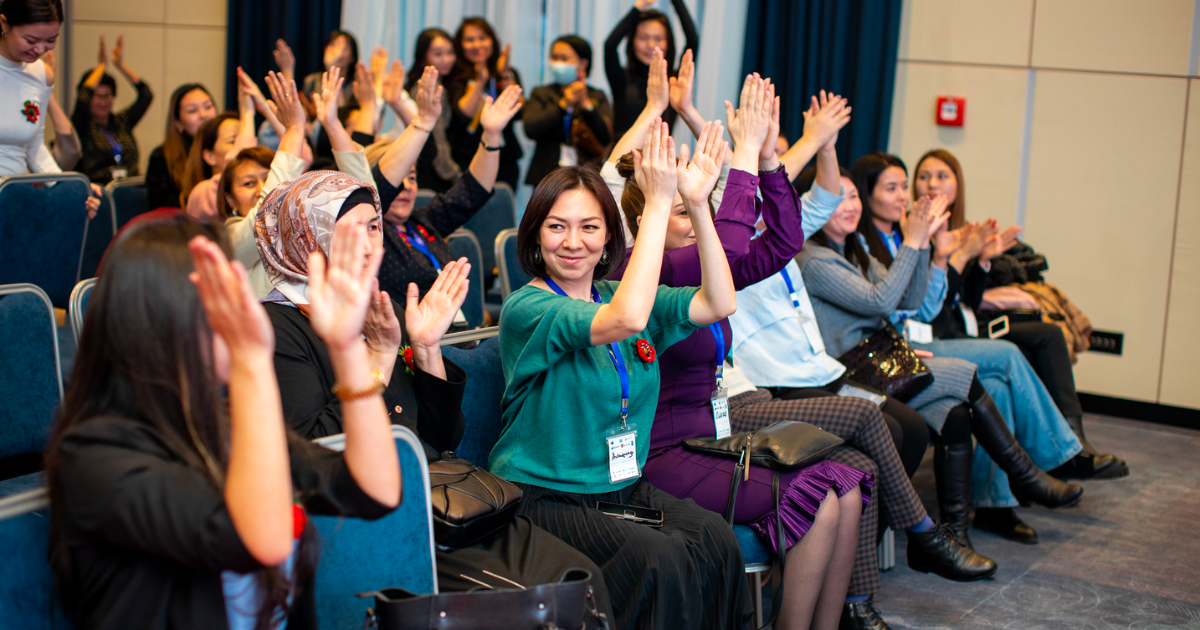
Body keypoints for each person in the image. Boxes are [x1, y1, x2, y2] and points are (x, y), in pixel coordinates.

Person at [611, 77, 993, 630]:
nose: (698, 225)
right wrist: (744, 152)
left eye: (698, 212)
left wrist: (768, 160)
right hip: (668, 450)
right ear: (643, 222)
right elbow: (733, 244)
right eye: (683, 214)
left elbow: (782, 242)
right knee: (819, 495)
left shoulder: (699, 266)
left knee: (852, 483)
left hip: (711, 434)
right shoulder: (649, 272)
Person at [255, 170, 613, 613]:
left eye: (374, 227)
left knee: (581, 577)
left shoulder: (378, 305)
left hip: (443, 501)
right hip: (372, 522)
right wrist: (379, 358)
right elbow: (317, 453)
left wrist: (426, 348)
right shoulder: (278, 328)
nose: (368, 245)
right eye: (349, 232)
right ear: (306, 240)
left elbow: (443, 437)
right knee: (541, 603)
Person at [45, 213, 402, 628]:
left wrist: (346, 347)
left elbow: (375, 491)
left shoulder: (223, 424)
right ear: (164, 320)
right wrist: (251, 361)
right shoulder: (94, 456)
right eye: (226, 297)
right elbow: (262, 540)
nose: (248, 309)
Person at [492, 122, 746, 629]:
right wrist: (658, 202)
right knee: (660, 559)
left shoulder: (615, 295)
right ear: (535, 235)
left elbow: (719, 302)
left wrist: (697, 205)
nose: (573, 242)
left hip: (621, 486)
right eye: (557, 227)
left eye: (589, 227)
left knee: (715, 537)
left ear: (609, 235)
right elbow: (625, 320)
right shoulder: (528, 307)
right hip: (545, 495)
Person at [797, 159, 1087, 546]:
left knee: (956, 412)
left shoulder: (852, 249)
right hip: (856, 375)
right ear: (813, 204)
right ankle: (1027, 474)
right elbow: (882, 301)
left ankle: (958, 532)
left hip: (884, 360)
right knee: (969, 372)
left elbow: (911, 301)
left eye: (852, 197)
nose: (850, 206)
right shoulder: (814, 259)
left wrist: (928, 252)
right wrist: (914, 241)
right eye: (837, 198)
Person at [906, 149, 1129, 543]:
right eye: (924, 176)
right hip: (935, 336)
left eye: (942, 176)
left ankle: (996, 505)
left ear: (958, 184)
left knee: (1012, 372)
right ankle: (1058, 456)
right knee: (1011, 355)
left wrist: (983, 261)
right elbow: (926, 307)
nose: (932, 184)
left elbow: (965, 298)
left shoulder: (957, 229)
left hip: (960, 329)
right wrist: (959, 256)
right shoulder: (914, 231)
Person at [364, 66, 523, 302]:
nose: (406, 186)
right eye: (400, 179)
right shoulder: (369, 233)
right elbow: (377, 191)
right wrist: (424, 121)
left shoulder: (422, 222)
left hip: (455, 324)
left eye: (413, 177)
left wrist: (491, 135)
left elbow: (473, 190)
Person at [523, 35, 613, 186]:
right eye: (554, 57)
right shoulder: (541, 93)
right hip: (546, 175)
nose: (558, 63)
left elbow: (605, 137)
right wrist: (563, 104)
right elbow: (531, 129)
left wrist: (586, 105)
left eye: (564, 58)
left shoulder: (596, 96)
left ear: (583, 63)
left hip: (587, 176)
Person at [448, 17, 523, 190]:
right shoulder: (455, 75)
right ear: (460, 45)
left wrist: (505, 74)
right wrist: (480, 80)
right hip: (467, 158)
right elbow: (462, 116)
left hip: (505, 159)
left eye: (482, 38)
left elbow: (519, 112)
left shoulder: (507, 73)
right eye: (469, 40)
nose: (477, 45)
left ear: (492, 41)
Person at [604, 0, 698, 139]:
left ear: (668, 43)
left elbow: (693, 41)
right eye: (643, 38)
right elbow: (609, 46)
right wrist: (638, 7)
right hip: (622, 152)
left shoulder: (674, 81)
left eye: (658, 38)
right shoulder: (622, 79)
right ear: (632, 41)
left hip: (660, 152)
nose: (650, 45)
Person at [73, 34, 153, 185]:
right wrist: (102, 66)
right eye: (97, 96)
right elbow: (83, 96)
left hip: (130, 186)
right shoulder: (82, 125)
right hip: (99, 189)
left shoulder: (122, 122)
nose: (103, 101)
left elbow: (146, 95)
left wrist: (120, 65)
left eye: (107, 95)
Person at [404, 28, 459, 192]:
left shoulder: (427, 84)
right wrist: (457, 176)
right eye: (438, 54)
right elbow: (437, 141)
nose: (446, 59)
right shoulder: (432, 88)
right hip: (431, 173)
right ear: (423, 57)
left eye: (450, 52)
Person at [146, 83, 216, 209]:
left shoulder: (224, 148)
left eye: (208, 106)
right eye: (192, 110)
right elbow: (162, 208)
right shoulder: (162, 156)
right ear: (178, 123)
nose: (204, 115)